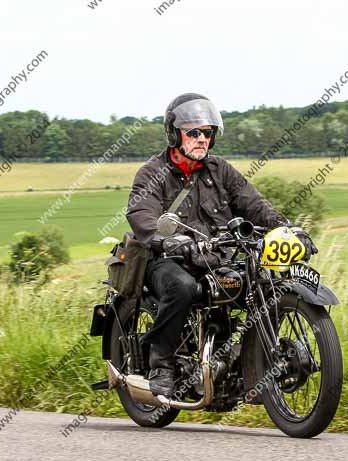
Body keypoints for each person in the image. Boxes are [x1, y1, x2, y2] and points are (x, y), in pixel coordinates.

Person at [125, 93, 316, 397]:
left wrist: (287, 229)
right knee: (183, 287)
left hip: (214, 257)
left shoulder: (221, 170)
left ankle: (245, 362)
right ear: (175, 134)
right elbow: (141, 213)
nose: (202, 139)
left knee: (260, 283)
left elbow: (255, 206)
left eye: (207, 132)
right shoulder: (152, 173)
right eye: (194, 132)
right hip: (165, 259)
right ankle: (161, 364)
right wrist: (169, 240)